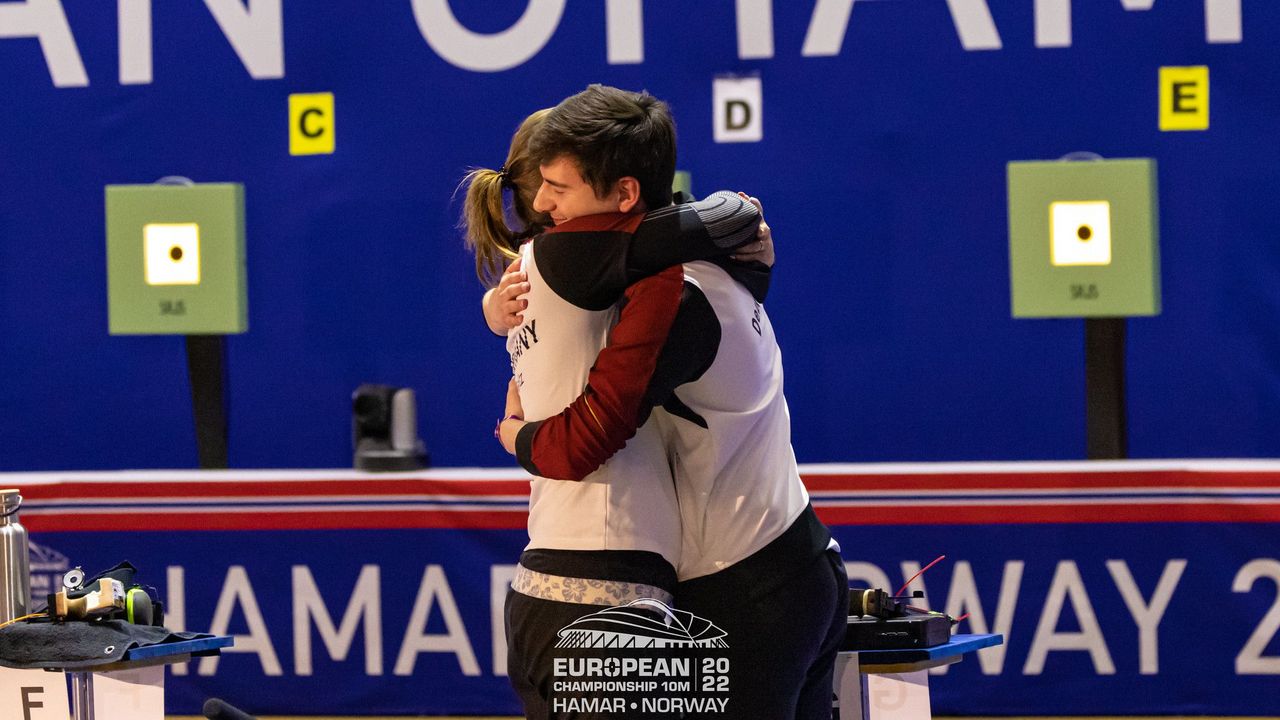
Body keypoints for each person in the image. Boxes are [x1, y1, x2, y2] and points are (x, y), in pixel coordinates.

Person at [494, 84, 848, 720]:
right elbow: (721, 216)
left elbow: (582, 441)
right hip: (797, 561)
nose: (543, 211)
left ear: (626, 195)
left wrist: (517, 432)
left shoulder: (672, 295)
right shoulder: (715, 268)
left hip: (747, 583)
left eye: (558, 188)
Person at [462, 103, 766, 718]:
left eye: (560, 185)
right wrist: (739, 224)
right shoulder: (576, 258)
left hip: (544, 584)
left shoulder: (536, 275)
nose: (551, 200)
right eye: (551, 184)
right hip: (606, 592)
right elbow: (711, 220)